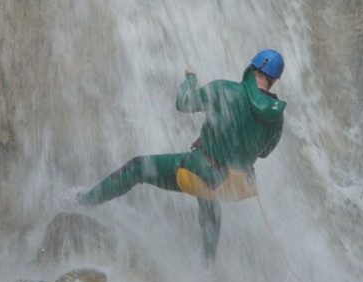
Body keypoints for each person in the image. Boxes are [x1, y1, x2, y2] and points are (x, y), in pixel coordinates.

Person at [76, 49, 287, 261]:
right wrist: (218, 139)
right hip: (239, 186)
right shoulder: (277, 117)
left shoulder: (225, 90)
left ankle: (82, 204)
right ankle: (208, 263)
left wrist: (190, 78)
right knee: (208, 195)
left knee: (138, 167)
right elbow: (265, 152)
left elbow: (184, 102)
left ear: (252, 67)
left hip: (206, 173)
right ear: (274, 80)